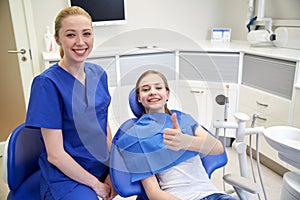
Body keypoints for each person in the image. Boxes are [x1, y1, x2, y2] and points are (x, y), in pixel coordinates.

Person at [25, 6, 117, 200]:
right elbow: (55, 155)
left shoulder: (99, 74)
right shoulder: (47, 84)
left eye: (86, 34)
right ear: (58, 39)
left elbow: (104, 124)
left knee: (144, 179)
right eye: (70, 35)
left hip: (99, 164)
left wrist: (111, 170)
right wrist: (97, 185)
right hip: (66, 175)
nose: (80, 42)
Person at [117, 70, 236, 200]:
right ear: (139, 98)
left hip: (213, 195)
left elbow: (217, 147)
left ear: (167, 94)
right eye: (145, 89)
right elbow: (153, 193)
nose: (152, 92)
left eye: (158, 87)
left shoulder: (182, 119)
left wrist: (186, 142)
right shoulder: (134, 137)